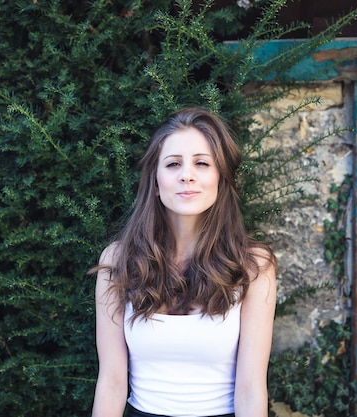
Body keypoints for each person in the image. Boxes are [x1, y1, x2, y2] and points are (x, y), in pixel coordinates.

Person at [90, 107, 277, 417]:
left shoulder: (254, 266)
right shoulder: (118, 260)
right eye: (173, 163)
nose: (186, 174)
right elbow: (111, 382)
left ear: (220, 177)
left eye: (202, 163)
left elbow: (251, 387)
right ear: (155, 179)